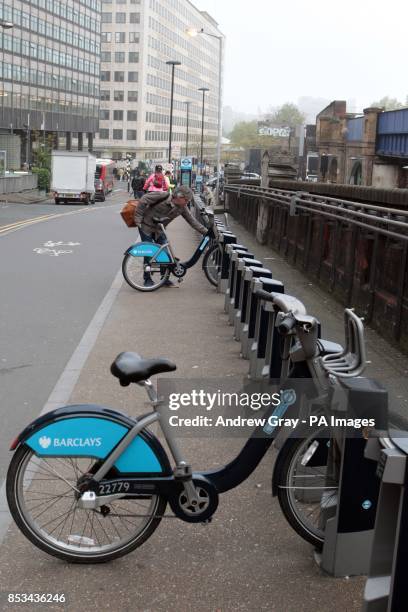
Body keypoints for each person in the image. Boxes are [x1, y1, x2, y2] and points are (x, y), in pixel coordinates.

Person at [134, 185, 207, 287]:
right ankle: (147, 279)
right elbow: (144, 199)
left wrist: (206, 232)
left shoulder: (182, 208)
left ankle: (165, 278)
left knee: (165, 254)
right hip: (146, 226)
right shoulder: (163, 196)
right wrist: (138, 218)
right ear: (179, 197)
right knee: (149, 252)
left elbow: (192, 221)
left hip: (159, 229)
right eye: (186, 200)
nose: (187, 202)